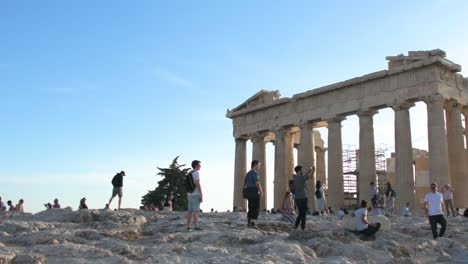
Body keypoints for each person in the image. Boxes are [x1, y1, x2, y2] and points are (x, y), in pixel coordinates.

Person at [293, 165, 315, 230]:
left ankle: (297, 226)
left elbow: (308, 176)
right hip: (303, 197)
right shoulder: (300, 178)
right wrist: (312, 170)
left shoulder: (296, 177)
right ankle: (302, 227)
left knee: (301, 213)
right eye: (301, 169)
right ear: (299, 170)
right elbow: (309, 176)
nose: (302, 170)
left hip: (297, 198)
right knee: (303, 213)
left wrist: (311, 170)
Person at [244, 160, 263, 228]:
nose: (259, 167)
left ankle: (249, 222)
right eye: (259, 165)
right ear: (255, 165)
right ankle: (253, 223)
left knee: (251, 207)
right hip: (254, 191)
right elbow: (257, 183)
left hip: (248, 191)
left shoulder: (248, 173)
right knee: (256, 207)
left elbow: (245, 183)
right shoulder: (254, 173)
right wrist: (261, 192)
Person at [187, 160, 203, 231]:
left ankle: (188, 226)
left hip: (189, 194)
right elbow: (197, 183)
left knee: (190, 211)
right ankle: (196, 226)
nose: (200, 166)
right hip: (195, 194)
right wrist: (201, 193)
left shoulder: (190, 172)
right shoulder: (196, 173)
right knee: (195, 211)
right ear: (196, 165)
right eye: (199, 165)